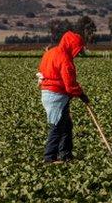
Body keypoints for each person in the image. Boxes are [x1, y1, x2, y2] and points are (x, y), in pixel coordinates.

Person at [37, 30, 90, 164]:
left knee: (66, 125)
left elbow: (42, 71)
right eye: (77, 50)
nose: (77, 53)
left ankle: (65, 155)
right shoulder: (64, 59)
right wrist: (81, 94)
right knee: (57, 126)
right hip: (56, 95)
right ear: (72, 46)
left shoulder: (50, 52)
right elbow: (70, 84)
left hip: (48, 93)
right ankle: (49, 157)